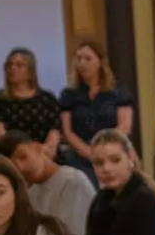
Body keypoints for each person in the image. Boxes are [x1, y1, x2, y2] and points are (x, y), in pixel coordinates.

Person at [78, 130, 155, 235]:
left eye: (115, 160)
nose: (107, 168)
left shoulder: (144, 199)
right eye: (99, 163)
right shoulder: (102, 198)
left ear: (129, 158)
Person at [56, 39, 134, 173]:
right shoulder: (69, 94)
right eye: (78, 58)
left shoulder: (117, 90)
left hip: (112, 149)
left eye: (88, 59)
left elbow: (125, 126)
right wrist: (89, 152)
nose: (82, 63)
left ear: (100, 62)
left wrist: (103, 150)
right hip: (80, 155)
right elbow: (67, 132)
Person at [3, 131, 95, 235]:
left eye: (23, 157)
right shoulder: (30, 191)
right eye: (14, 166)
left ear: (37, 147)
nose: (22, 167)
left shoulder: (72, 181)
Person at [0, 48, 61, 157]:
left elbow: (54, 130)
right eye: (9, 65)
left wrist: (47, 150)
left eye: (19, 65)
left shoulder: (47, 98)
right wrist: (25, 153)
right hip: (11, 155)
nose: (13, 68)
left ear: (30, 70)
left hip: (44, 155)